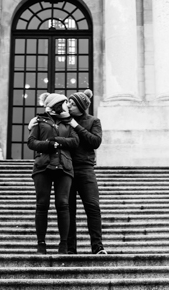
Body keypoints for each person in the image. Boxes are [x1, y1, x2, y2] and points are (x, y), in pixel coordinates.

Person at [27, 92, 79, 254]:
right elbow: (31, 142)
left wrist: (57, 141)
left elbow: (75, 141)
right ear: (57, 104)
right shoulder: (39, 121)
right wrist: (48, 145)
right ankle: (41, 244)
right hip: (43, 166)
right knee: (42, 204)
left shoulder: (69, 122)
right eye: (64, 103)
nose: (67, 105)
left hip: (64, 167)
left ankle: (63, 244)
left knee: (63, 204)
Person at [65, 89, 106, 255]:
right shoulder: (63, 120)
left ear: (81, 106)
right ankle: (70, 249)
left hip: (86, 168)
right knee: (68, 210)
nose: (68, 104)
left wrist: (76, 126)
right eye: (68, 101)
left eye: (72, 103)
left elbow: (95, 142)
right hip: (67, 169)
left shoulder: (93, 121)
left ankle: (98, 247)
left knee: (93, 207)